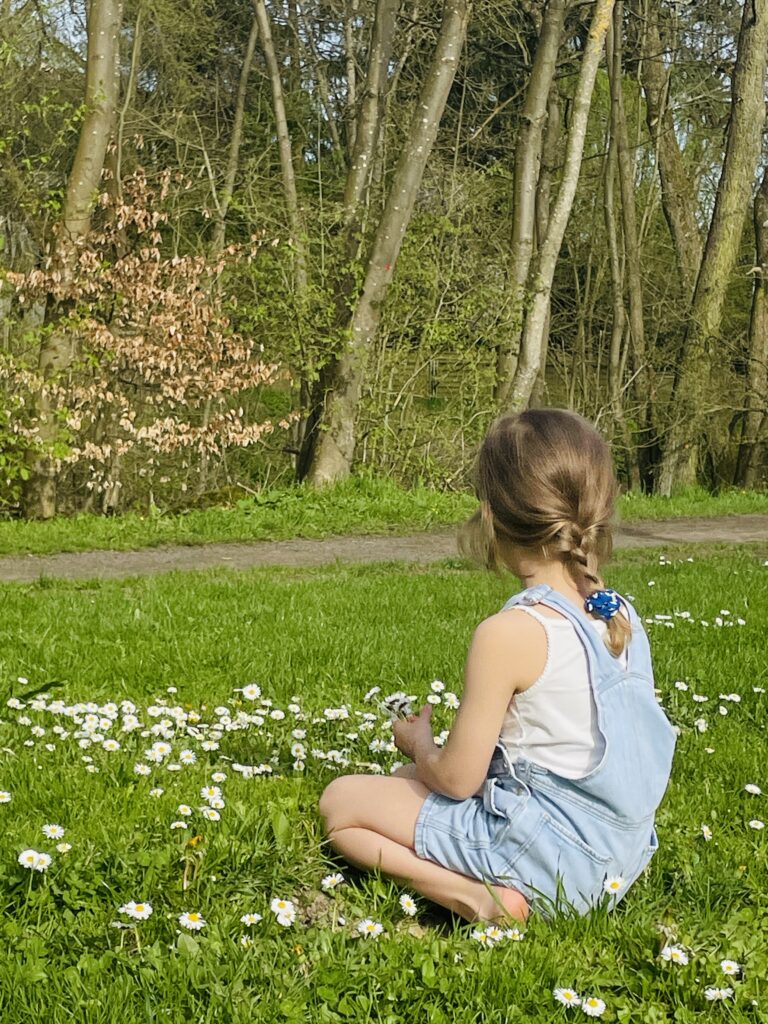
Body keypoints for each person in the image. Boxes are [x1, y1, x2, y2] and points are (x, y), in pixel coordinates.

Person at [319, 409, 677, 922]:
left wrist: (422, 745)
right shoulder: (616, 613)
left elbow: (457, 780)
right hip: (618, 859)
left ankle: (482, 900)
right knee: (403, 781)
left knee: (342, 804)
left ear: (491, 516)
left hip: (552, 864)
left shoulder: (510, 633)